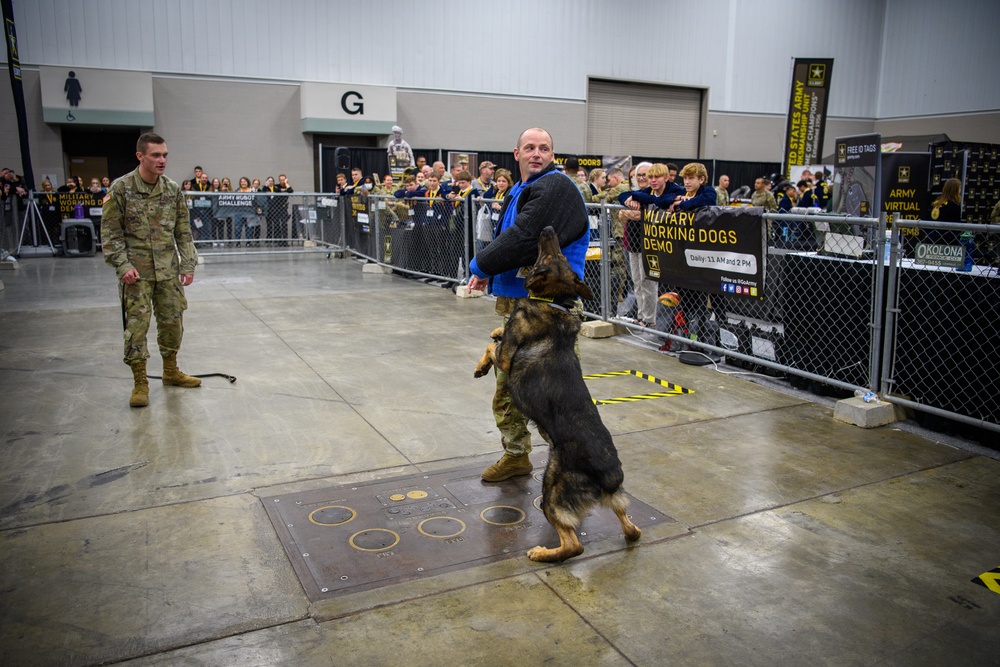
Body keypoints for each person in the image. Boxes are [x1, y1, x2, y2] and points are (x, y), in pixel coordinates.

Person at [467, 127, 589, 483]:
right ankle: (517, 455)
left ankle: (573, 465)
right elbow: (511, 239)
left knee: (554, 395)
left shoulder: (555, 187)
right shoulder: (520, 189)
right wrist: (493, 273)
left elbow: (522, 238)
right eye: (530, 147)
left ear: (553, 155)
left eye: (545, 148)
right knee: (508, 388)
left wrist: (479, 266)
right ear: (516, 153)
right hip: (515, 303)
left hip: (548, 307)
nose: (538, 153)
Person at [100, 132, 200, 408]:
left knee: (172, 322)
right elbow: (110, 235)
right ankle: (140, 383)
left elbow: (183, 231)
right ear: (140, 156)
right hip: (137, 275)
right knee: (137, 328)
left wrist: (188, 264)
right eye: (156, 155)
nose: (162, 160)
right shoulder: (121, 189)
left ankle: (170, 371)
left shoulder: (171, 190)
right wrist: (123, 266)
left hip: (168, 271)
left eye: (165, 155)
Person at [616, 161, 661, 327]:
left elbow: (645, 215)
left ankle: (650, 319)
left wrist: (629, 213)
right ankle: (642, 316)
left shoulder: (656, 195)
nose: (642, 178)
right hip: (632, 243)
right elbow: (621, 206)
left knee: (648, 283)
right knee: (636, 282)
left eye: (646, 175)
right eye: (639, 175)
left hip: (649, 245)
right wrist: (628, 208)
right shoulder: (633, 194)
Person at [927, 178, 963, 244]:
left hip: (931, 240)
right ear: (955, 190)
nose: (960, 191)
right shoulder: (954, 205)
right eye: (959, 188)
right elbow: (957, 226)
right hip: (947, 241)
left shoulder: (935, 203)